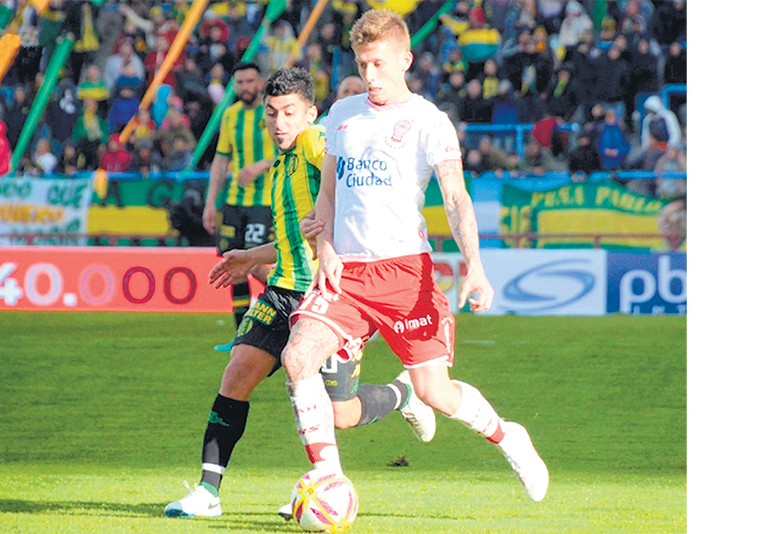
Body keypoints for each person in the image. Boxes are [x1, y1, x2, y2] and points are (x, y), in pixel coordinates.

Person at [279, 9, 549, 504]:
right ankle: (330, 479)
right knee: (297, 358)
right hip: (346, 275)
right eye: (363, 65)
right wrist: (326, 249)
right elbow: (328, 196)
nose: (371, 75)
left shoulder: (430, 121)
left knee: (435, 394)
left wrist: (476, 268)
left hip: (406, 276)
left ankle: (510, 437)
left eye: (379, 63)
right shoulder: (342, 115)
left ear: (405, 58)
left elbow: (456, 198)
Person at [164, 66, 436, 519]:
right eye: (272, 114)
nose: (279, 123)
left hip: (327, 298)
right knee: (236, 375)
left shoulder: (314, 143)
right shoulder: (280, 164)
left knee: (341, 413)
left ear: (310, 113)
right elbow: (293, 237)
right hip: (281, 291)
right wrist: (252, 257)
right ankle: (208, 491)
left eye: (290, 112)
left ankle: (402, 395)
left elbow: (350, 188)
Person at [202, 62, 278, 351]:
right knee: (234, 262)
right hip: (234, 201)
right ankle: (241, 334)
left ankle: (296, 301)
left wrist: (262, 164)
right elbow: (221, 160)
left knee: (255, 262)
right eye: (240, 82)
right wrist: (211, 203)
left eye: (250, 81)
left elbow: (293, 148)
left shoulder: (274, 111)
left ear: (260, 83)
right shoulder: (231, 116)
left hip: (266, 201)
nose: (245, 87)